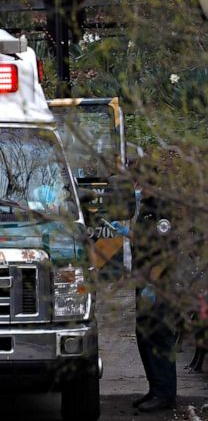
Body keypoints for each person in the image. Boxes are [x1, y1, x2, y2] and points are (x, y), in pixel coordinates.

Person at [131, 160, 180, 413]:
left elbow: (166, 251)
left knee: (159, 337)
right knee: (144, 336)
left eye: (139, 182)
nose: (136, 187)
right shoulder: (146, 207)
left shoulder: (162, 209)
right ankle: (155, 388)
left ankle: (165, 394)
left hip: (158, 286)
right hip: (144, 282)